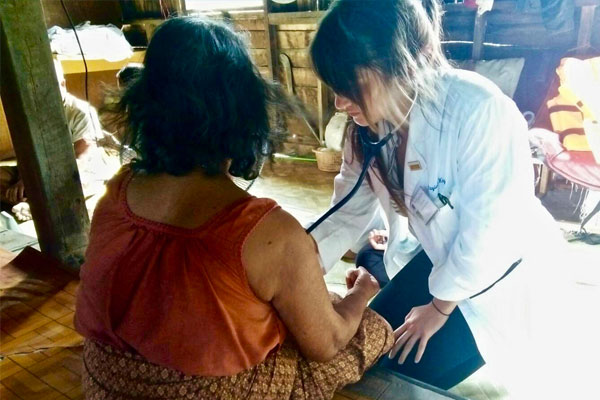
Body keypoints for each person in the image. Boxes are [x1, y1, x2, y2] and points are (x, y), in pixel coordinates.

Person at [74, 17, 393, 400]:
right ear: (245, 113)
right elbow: (326, 344)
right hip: (207, 392)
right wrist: (362, 294)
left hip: (106, 381)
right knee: (366, 328)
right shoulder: (268, 232)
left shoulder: (118, 190)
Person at [308, 0, 573, 395]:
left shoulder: (480, 112)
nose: (339, 103)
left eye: (348, 86)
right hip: (443, 259)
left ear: (394, 63)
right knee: (357, 355)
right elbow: (344, 213)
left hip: (500, 278)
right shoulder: (368, 131)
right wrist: (297, 265)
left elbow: (491, 236)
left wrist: (438, 308)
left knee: (384, 382)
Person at [0, 60, 103, 220]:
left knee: (76, 184)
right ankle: (30, 202)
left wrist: (38, 182)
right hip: (36, 172)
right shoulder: (33, 112)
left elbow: (81, 160)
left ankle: (32, 205)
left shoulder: (80, 112)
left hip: (72, 173)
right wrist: (25, 178)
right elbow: (26, 151)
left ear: (62, 84)